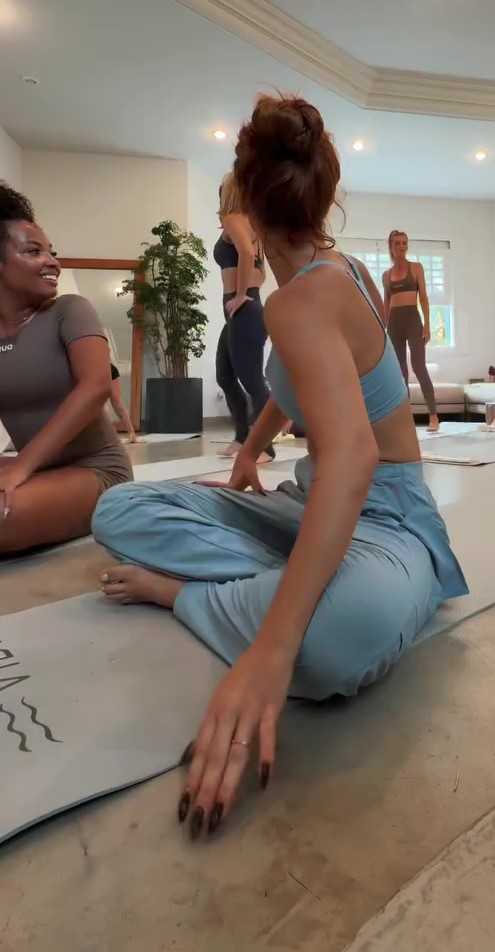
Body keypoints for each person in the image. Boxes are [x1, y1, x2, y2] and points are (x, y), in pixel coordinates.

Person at [93, 95, 467, 839]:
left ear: (244, 213)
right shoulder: (334, 275)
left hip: (390, 517)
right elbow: (291, 385)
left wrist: (270, 652)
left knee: (334, 640)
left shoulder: (308, 299)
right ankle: (303, 576)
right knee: (119, 507)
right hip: (310, 500)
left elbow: (355, 456)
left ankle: (192, 595)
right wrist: (246, 453)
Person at [0, 182, 132, 554]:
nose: (53, 262)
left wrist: (21, 466)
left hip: (96, 471)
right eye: (34, 251)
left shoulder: (70, 311)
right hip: (35, 471)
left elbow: (96, 387)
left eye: (51, 252)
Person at [214, 172, 274, 462]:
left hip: (244, 308)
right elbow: (261, 271)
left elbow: (248, 255)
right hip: (247, 307)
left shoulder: (232, 218)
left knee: (252, 380)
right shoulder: (253, 224)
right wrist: (246, 293)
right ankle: (242, 437)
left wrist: (239, 295)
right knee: (224, 375)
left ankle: (265, 447)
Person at [383, 231, 439, 433]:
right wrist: (384, 328)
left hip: (413, 321)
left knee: (418, 366)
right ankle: (406, 418)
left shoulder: (416, 268)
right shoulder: (386, 275)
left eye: (404, 243)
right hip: (394, 324)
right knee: (400, 372)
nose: (401, 246)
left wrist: (427, 324)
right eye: (397, 243)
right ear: (391, 247)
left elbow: (423, 297)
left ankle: (433, 416)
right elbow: (386, 302)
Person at [109, 363, 137, 443]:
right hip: (106, 368)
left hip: (107, 369)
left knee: (118, 403)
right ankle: (131, 433)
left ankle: (131, 433)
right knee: (118, 403)